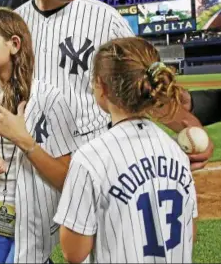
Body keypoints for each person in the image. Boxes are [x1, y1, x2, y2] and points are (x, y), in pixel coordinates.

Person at [14, 0, 211, 169]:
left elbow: (143, 84)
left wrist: (187, 125)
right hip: (33, 161)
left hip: (96, 161)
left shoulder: (105, 19)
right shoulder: (12, 26)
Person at [54, 37, 198, 263]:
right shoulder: (176, 151)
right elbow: (190, 232)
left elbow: (74, 252)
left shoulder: (90, 157)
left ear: (103, 88)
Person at [0, 7, 82, 264]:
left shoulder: (49, 99)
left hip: (37, 214)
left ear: (14, 44)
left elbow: (66, 178)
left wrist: (24, 140)